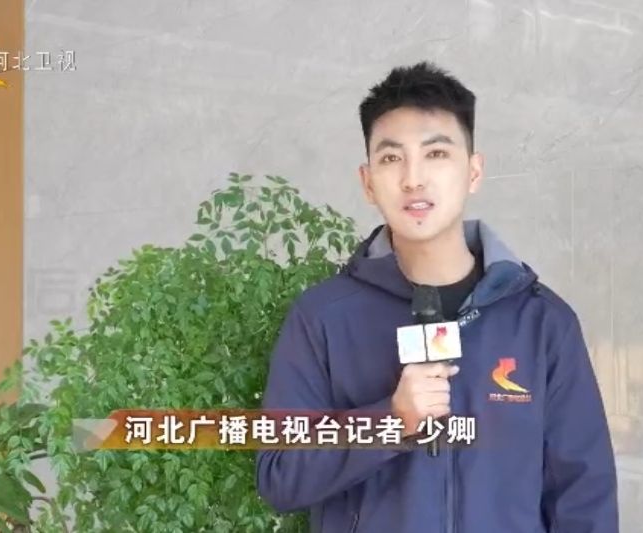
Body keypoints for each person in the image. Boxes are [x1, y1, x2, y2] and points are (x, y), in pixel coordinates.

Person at [255, 61, 618, 533]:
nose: (413, 178)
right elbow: (280, 476)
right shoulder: (323, 318)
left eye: (436, 154)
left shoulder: (542, 323)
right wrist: (389, 422)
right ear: (368, 182)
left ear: (474, 171)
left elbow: (583, 499)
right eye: (391, 158)